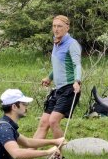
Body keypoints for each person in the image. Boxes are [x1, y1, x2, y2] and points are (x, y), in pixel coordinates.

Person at [34, 15, 82, 144]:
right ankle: (29, 153)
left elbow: (77, 65)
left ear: (67, 27)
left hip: (70, 89)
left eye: (59, 26)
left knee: (53, 121)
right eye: (54, 26)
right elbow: (58, 65)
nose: (56, 29)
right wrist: (49, 78)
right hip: (58, 89)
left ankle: (58, 155)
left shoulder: (72, 44)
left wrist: (77, 81)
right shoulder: (56, 42)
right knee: (44, 122)